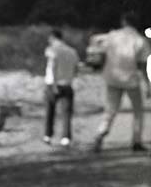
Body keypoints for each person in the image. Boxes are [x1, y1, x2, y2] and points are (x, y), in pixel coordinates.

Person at [92, 12, 150, 153]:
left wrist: (100, 66)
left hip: (112, 77)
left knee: (110, 109)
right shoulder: (139, 40)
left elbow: (97, 45)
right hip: (131, 79)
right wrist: (148, 84)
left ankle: (101, 132)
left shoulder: (112, 36)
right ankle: (136, 141)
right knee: (137, 111)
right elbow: (143, 66)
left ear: (124, 22)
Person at [43, 28, 79, 148]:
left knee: (50, 111)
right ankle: (66, 137)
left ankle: (48, 135)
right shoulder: (72, 51)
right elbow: (76, 68)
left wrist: (54, 84)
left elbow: (53, 66)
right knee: (67, 112)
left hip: (53, 83)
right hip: (67, 84)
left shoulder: (52, 50)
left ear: (53, 37)